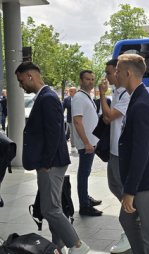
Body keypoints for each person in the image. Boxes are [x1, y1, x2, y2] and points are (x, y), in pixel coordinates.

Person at [15, 62, 90, 254]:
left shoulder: (47, 98)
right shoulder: (46, 97)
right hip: (52, 162)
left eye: (21, 80)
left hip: (51, 163)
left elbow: (55, 134)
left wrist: (46, 163)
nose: (20, 85)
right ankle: (58, 246)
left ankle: (77, 245)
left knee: (50, 209)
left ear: (30, 76)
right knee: (52, 206)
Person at [117, 53, 149, 254]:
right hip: (148, 174)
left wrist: (130, 191)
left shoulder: (141, 103)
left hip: (147, 178)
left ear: (128, 73)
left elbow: (142, 151)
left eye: (118, 71)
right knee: (126, 220)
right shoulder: (144, 95)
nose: (115, 74)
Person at [98, 59, 132, 253]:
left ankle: (131, 229)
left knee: (122, 190)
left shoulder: (126, 95)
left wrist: (102, 96)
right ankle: (134, 220)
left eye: (110, 73)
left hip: (121, 151)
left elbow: (109, 116)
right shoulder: (117, 93)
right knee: (114, 186)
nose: (108, 76)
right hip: (113, 149)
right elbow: (107, 116)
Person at [72, 70, 103, 216]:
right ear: (80, 80)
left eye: (92, 79)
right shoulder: (78, 97)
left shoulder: (86, 96)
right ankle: (84, 205)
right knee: (83, 173)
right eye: (87, 79)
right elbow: (77, 122)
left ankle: (86, 198)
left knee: (86, 172)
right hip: (87, 144)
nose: (90, 82)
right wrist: (86, 143)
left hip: (90, 142)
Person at [63, 87, 77, 153]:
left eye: (71, 91)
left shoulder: (79, 99)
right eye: (69, 91)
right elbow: (62, 108)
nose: (70, 92)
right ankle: (73, 146)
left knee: (78, 132)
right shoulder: (66, 99)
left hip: (78, 119)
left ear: (75, 92)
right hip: (70, 119)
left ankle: (79, 145)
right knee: (72, 133)